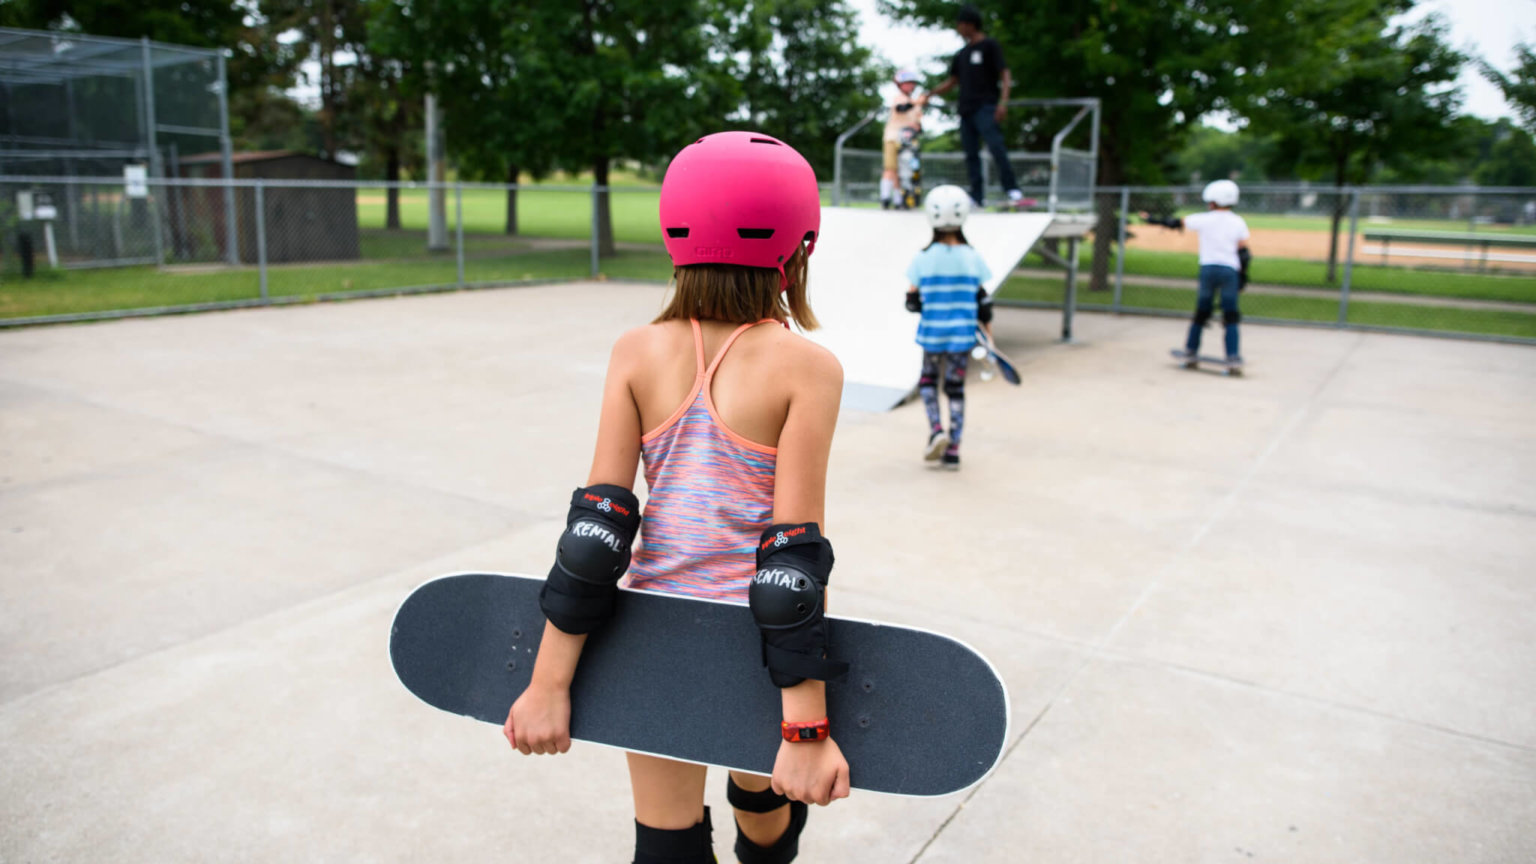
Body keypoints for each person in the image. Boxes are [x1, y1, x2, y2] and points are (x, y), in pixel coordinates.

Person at [503, 131, 850, 864]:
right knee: (765, 810)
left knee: (665, 846)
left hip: (649, 633)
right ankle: (759, 810)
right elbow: (790, 565)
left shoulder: (637, 350)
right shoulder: (807, 368)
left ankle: (746, 808)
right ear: (799, 253)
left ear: (674, 243)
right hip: (757, 647)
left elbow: (594, 536)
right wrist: (805, 731)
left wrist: (547, 684)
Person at [904, 184, 993, 470]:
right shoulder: (973, 257)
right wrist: (988, 336)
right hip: (962, 335)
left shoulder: (923, 258)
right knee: (955, 389)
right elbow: (984, 302)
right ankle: (953, 449)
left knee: (928, 382)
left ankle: (936, 430)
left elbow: (911, 301)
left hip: (932, 333)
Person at [1140, 179, 1252, 369]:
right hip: (1230, 271)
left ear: (1213, 201)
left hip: (1208, 270)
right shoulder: (1238, 221)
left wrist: (1152, 219)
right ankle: (1232, 355)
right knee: (1231, 314)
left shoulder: (1204, 219)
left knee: (1201, 312)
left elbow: (1175, 222)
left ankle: (1191, 350)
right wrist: (1242, 278)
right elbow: (1244, 253)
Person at [921, 5, 1023, 209]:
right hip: (965, 110)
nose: (958, 29)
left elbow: (1005, 73)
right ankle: (977, 196)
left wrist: (1003, 102)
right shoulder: (961, 54)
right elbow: (952, 81)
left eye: (960, 24)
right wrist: (930, 93)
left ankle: (1012, 190)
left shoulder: (990, 46)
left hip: (986, 107)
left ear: (970, 24)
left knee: (996, 147)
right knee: (971, 155)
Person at [882, 68, 925, 210]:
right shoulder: (900, 98)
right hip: (893, 137)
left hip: (908, 141)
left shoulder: (916, 104)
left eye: (913, 83)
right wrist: (917, 102)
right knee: (890, 168)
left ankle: (900, 199)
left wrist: (917, 126)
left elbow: (920, 125)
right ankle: (886, 197)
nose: (911, 86)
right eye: (908, 83)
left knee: (904, 171)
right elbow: (901, 108)